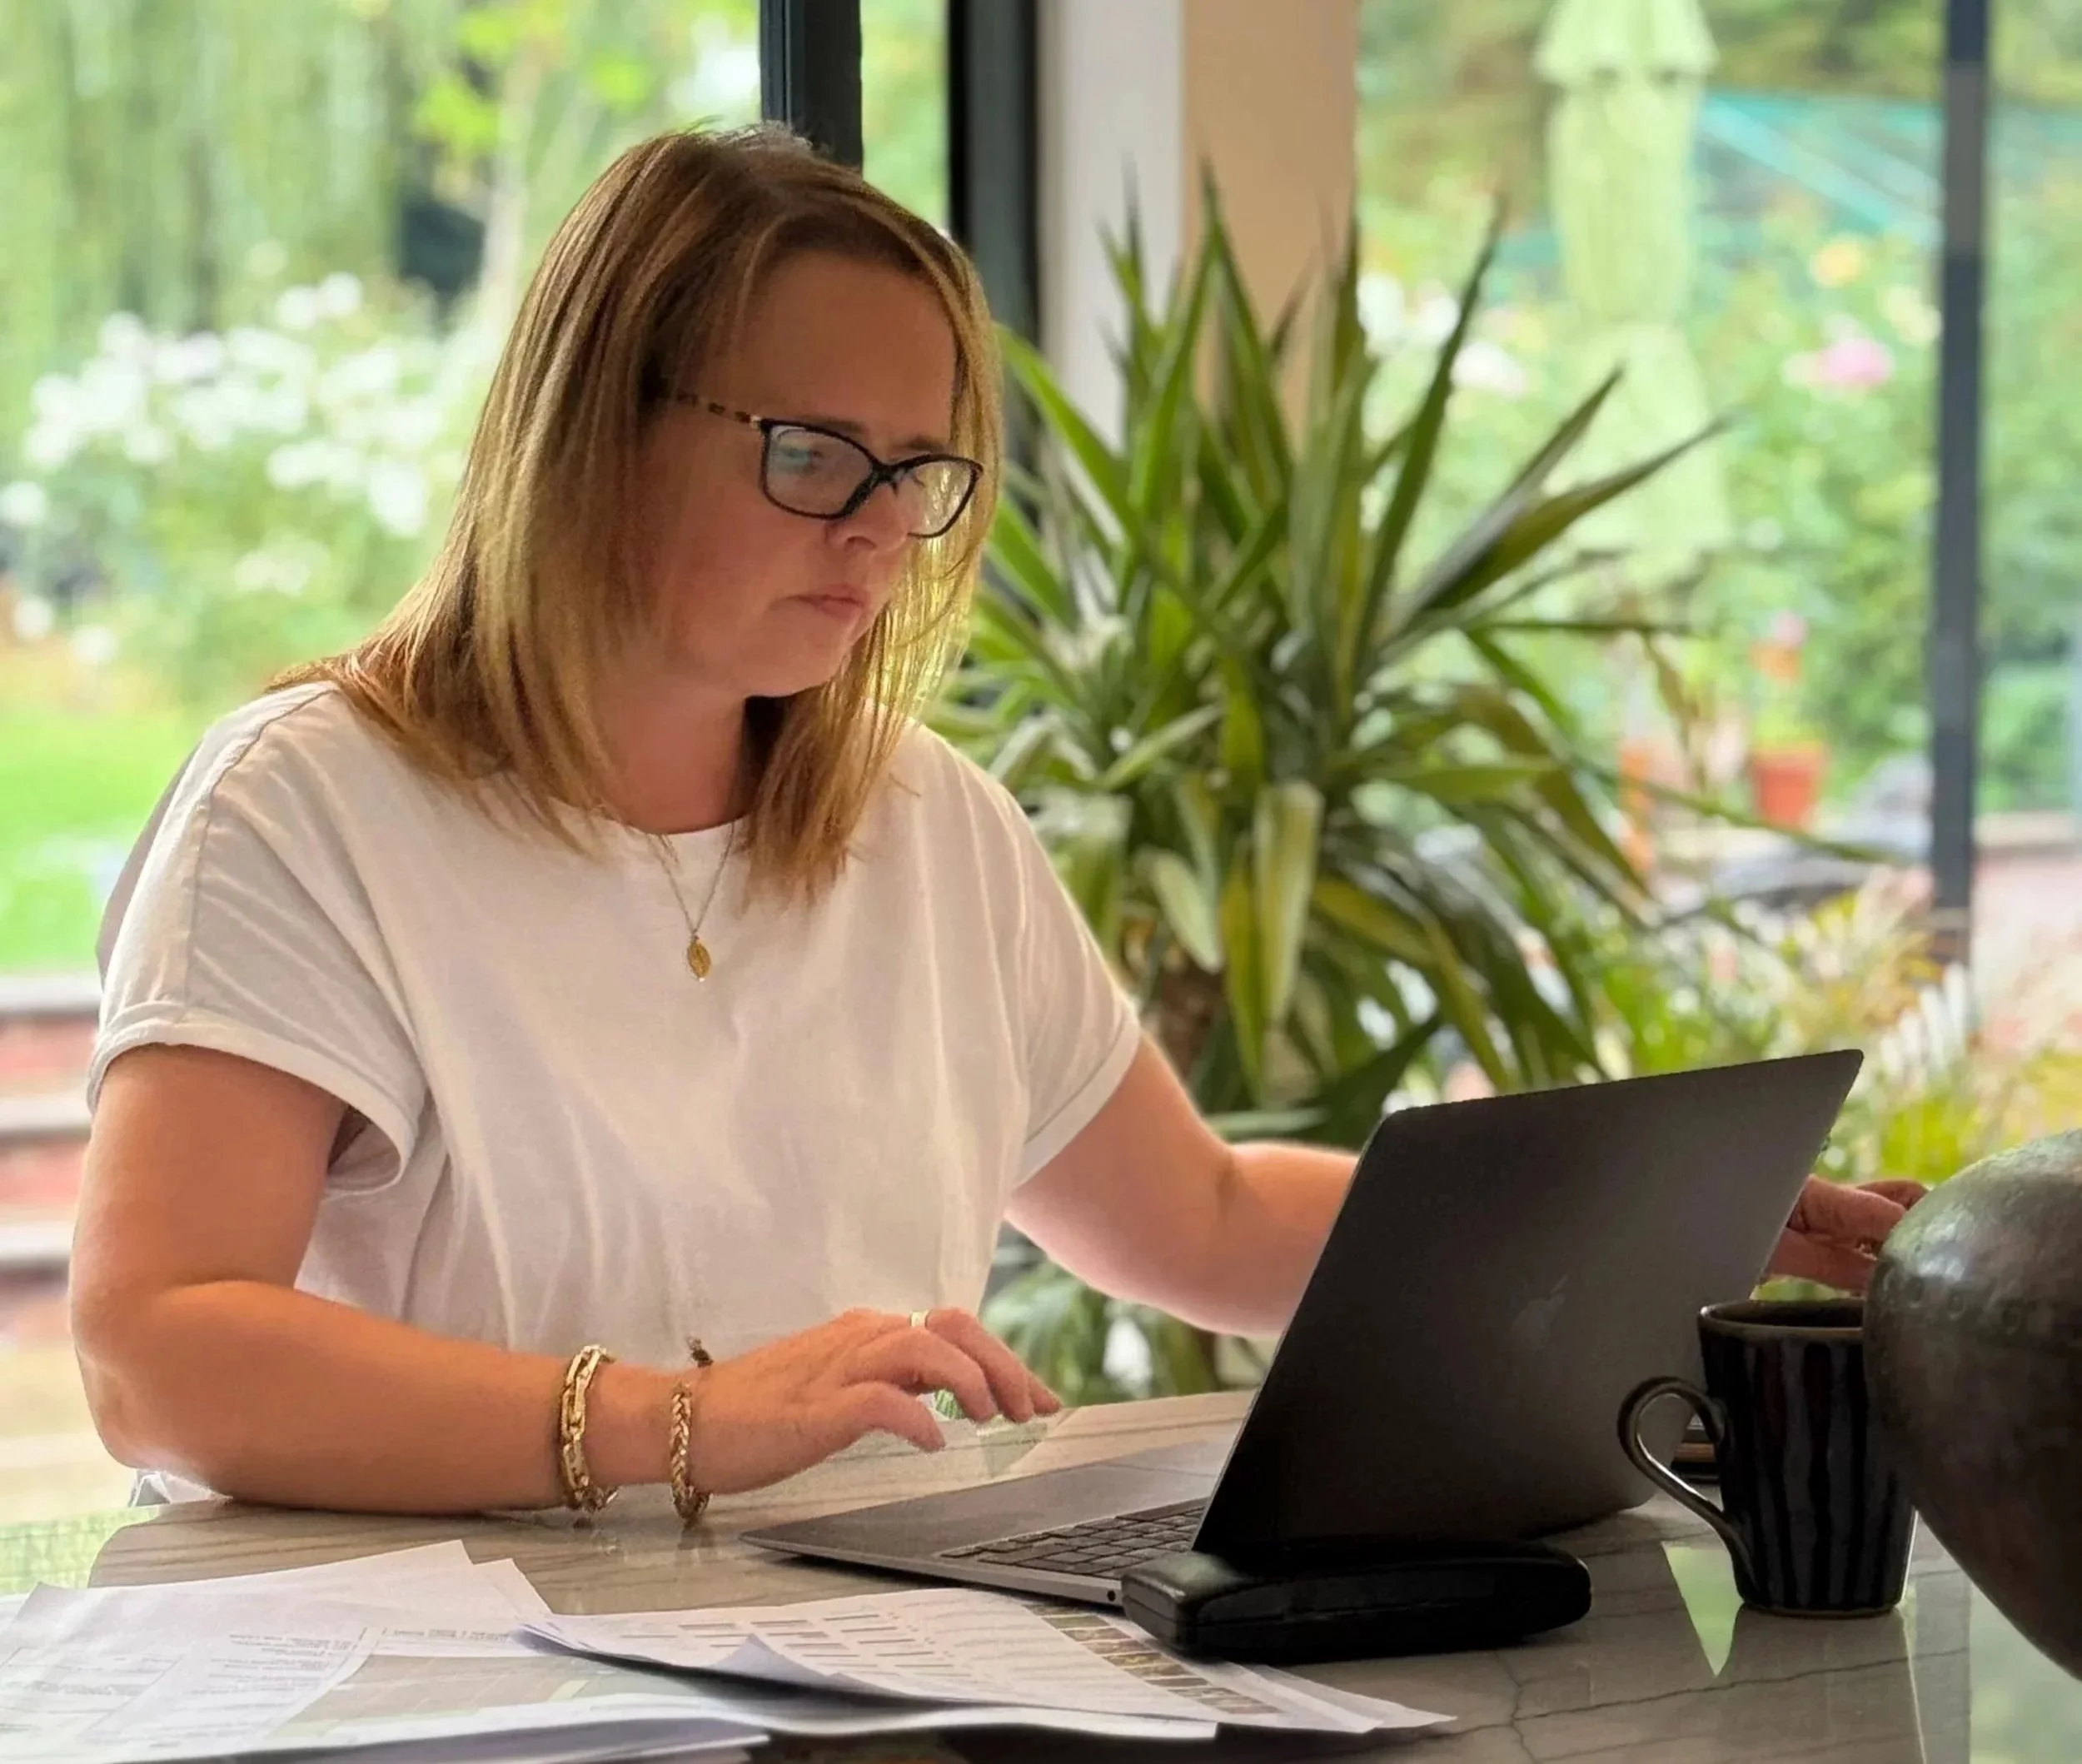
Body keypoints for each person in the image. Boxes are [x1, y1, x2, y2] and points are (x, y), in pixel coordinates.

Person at [71, 127, 1921, 1519]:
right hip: (434, 1688)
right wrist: (683, 1421)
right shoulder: (310, 809)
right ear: (588, 425)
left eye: (925, 471)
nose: (880, 530)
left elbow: (1187, 1216)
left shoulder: (919, 825)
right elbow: (161, 1353)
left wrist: (1659, 1226)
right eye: (812, 456)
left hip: (853, 1659)